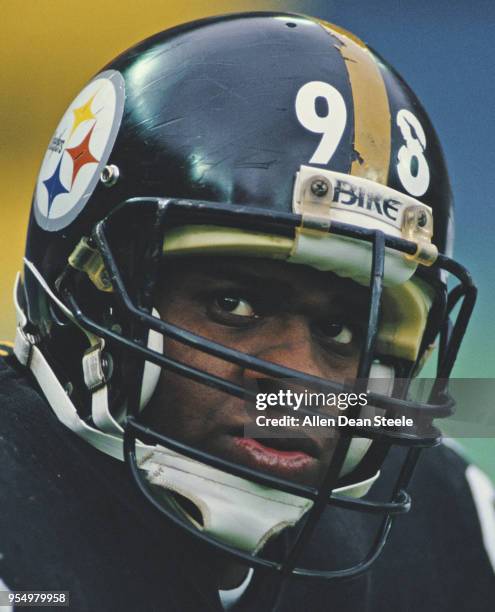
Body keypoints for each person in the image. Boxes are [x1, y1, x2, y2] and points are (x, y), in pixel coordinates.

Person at [1, 11, 494, 611]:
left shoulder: (452, 530)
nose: (297, 377)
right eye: (232, 304)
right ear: (91, 301)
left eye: (341, 330)